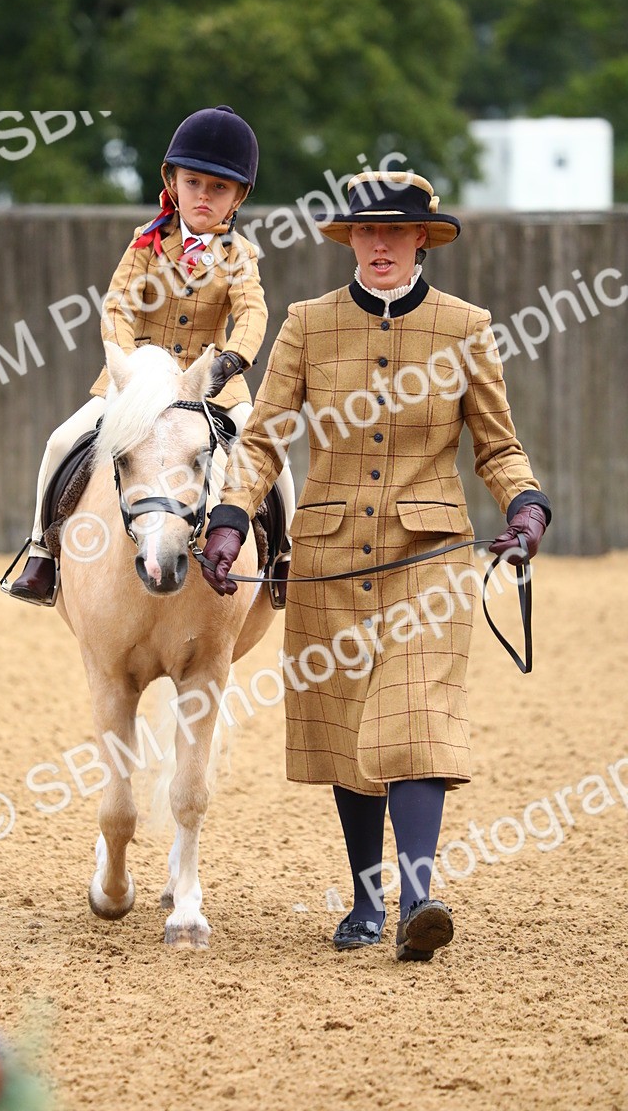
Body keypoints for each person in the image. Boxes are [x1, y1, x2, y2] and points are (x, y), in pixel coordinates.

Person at [200, 171, 551, 960]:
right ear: (351, 239)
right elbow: (263, 438)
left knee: (415, 717)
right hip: (328, 555)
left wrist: (526, 505)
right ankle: (366, 901)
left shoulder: (466, 327)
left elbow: (497, 445)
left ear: (423, 238)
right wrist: (229, 517)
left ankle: (418, 899)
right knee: (346, 723)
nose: (381, 243)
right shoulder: (307, 324)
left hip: (430, 555)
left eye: (396, 230)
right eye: (367, 230)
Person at [8, 104, 296, 605]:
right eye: (193, 182)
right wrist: (126, 366)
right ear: (173, 182)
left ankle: (282, 556)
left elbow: (253, 312)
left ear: (238, 197)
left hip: (210, 385)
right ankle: (41, 555)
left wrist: (231, 360)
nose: (203, 196)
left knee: (270, 456)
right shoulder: (146, 243)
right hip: (137, 382)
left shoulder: (240, 255)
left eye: (218, 188)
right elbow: (117, 307)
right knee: (60, 442)